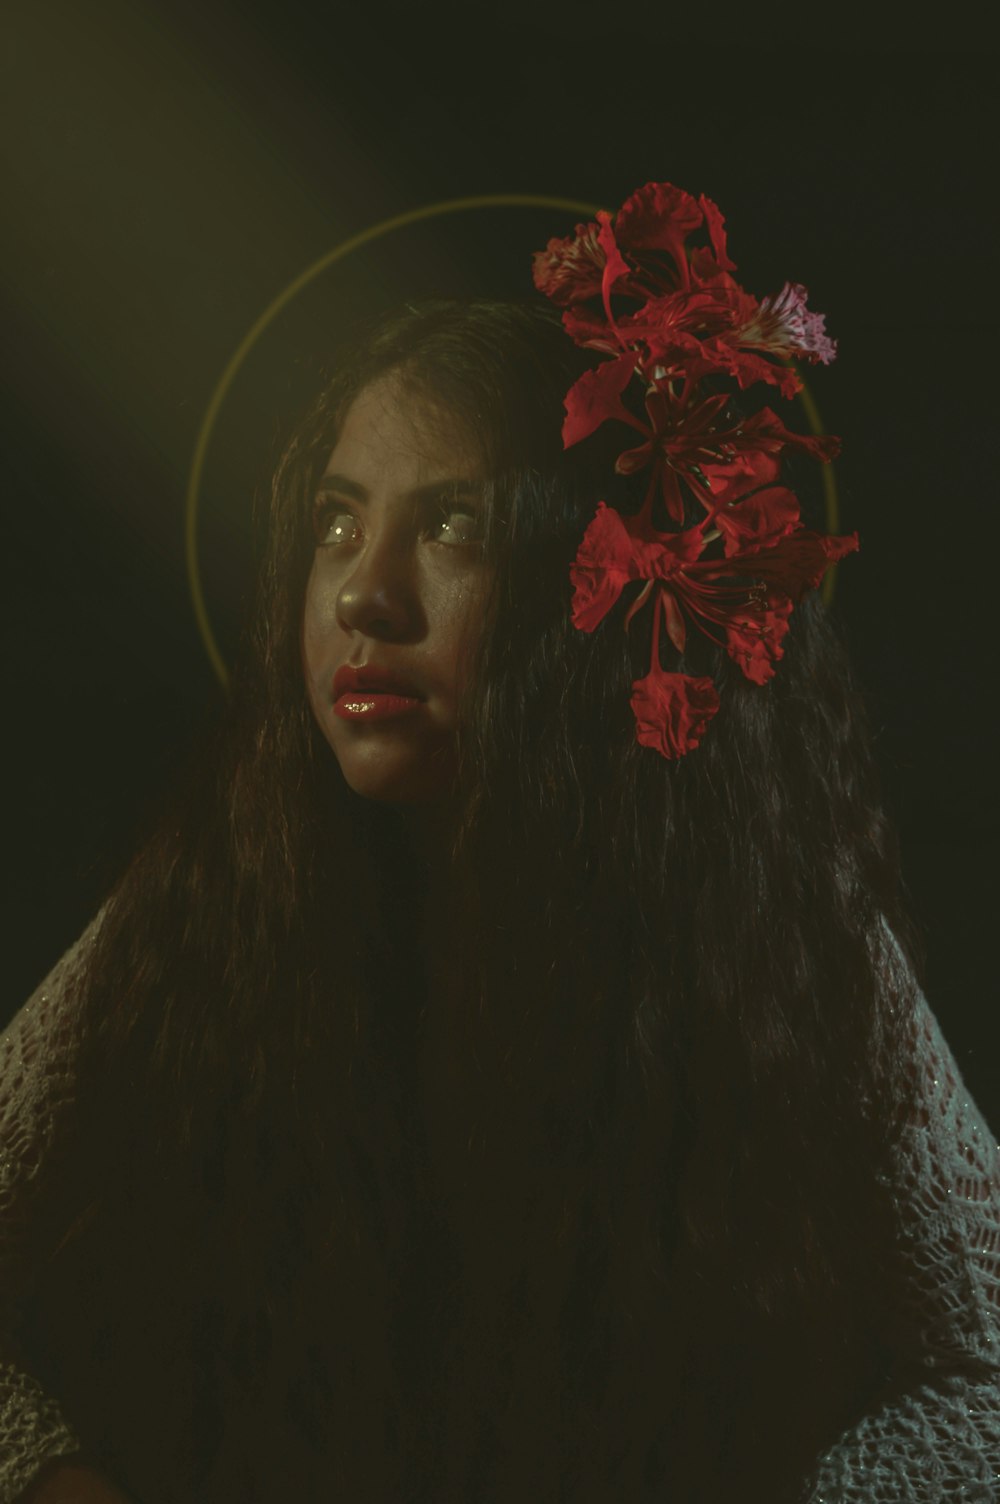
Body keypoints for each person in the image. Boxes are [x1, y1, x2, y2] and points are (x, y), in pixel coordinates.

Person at [2, 183, 998, 1504]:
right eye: (338, 524)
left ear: (594, 582)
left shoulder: (784, 932)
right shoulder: (204, 897)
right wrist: (58, 1482)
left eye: (454, 527)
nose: (365, 592)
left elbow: (985, 1377)